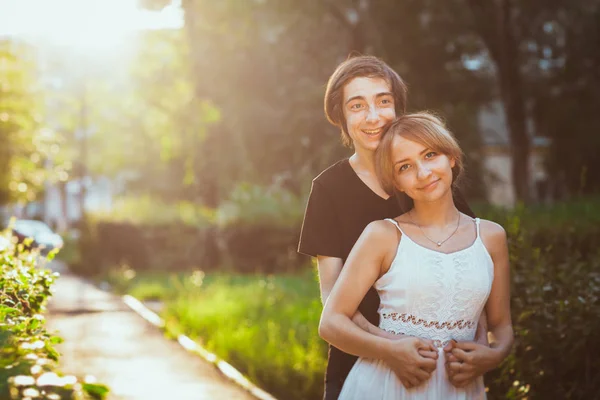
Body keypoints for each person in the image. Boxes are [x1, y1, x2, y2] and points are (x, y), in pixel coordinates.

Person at [297, 55, 482, 400]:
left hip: (439, 373)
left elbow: (472, 272)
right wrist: (391, 350)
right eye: (357, 105)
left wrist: (484, 349)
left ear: (398, 107)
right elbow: (334, 303)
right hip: (358, 368)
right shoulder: (329, 189)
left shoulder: (426, 180)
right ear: (340, 117)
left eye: (384, 101)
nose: (373, 116)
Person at [319, 112, 514, 399]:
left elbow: (502, 326)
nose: (423, 173)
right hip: (384, 387)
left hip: (461, 391)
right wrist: (390, 351)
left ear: (451, 157)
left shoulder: (492, 237)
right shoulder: (382, 236)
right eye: (405, 166)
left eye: (430, 155)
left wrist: (494, 355)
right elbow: (331, 323)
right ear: (396, 181)